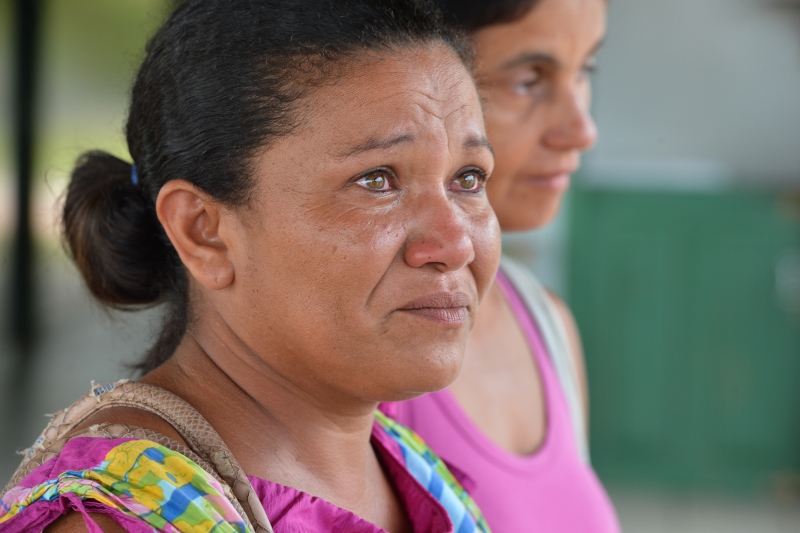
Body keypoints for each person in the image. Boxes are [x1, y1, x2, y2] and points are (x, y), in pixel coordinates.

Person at [0, 1, 501, 532]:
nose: (456, 243)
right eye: (377, 180)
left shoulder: (406, 464)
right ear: (204, 232)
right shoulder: (125, 518)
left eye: (468, 178)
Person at [384, 0, 621, 531]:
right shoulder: (364, 354)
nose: (582, 130)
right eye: (529, 80)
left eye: (585, 71)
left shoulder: (546, 323)